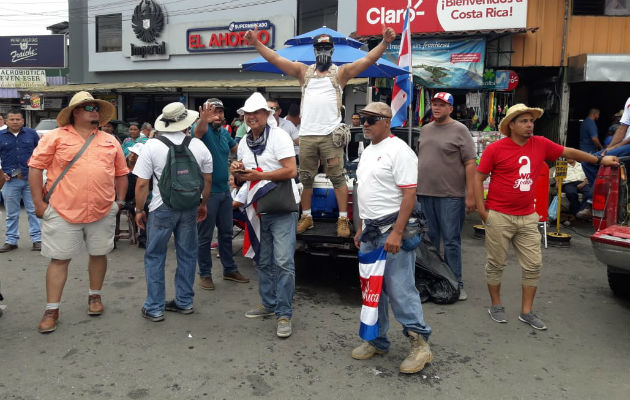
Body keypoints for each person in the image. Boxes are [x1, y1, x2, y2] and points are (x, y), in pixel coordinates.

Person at [474, 104, 618, 330]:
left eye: (531, 121)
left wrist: (600, 160)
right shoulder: (496, 149)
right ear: (511, 125)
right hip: (499, 215)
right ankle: (496, 304)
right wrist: (481, 210)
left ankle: (527, 312)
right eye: (523, 121)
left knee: (533, 265)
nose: (530, 124)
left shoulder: (540, 144)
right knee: (496, 264)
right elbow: (478, 176)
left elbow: (568, 152)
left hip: (527, 216)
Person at [244, 25, 396, 238]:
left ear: (332, 51)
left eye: (326, 47)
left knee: (338, 178)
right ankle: (306, 216)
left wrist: (384, 43)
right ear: (314, 51)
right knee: (305, 177)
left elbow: (367, 60)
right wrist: (256, 44)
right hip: (306, 136)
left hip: (330, 135)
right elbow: (276, 59)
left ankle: (343, 218)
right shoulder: (302, 72)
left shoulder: (340, 73)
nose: (322, 52)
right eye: (319, 47)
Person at [28, 91, 129, 333]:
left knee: (99, 253)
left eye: (95, 107)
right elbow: (34, 168)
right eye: (88, 107)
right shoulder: (55, 137)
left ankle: (95, 296)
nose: (94, 111)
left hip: (102, 209)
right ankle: (52, 309)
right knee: (59, 259)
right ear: (75, 112)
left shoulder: (109, 139)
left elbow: (121, 172)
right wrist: (38, 204)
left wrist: (120, 203)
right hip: (62, 210)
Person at [351, 102, 433, 374]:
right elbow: (365, 191)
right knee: (373, 289)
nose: (365, 123)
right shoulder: (368, 151)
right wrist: (361, 226)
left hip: (393, 230)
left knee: (399, 289)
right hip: (371, 231)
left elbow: (409, 195)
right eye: (363, 119)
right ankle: (377, 340)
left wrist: (397, 232)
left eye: (371, 119)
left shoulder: (401, 151)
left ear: (387, 121)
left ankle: (420, 345)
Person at [133, 102, 213, 322]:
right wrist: (202, 204)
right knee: (187, 254)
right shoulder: (198, 145)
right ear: (186, 122)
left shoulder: (151, 146)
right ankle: (185, 302)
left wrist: (139, 209)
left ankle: (155, 307)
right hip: (189, 207)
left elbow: (141, 184)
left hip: (161, 208)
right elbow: (207, 180)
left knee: (155, 256)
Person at [229, 92, 299, 338]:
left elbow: (291, 170)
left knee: (283, 262)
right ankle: (269, 304)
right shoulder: (245, 142)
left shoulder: (279, 136)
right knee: (263, 259)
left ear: (267, 115)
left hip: (281, 207)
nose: (251, 117)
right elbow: (242, 180)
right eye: (247, 114)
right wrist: (237, 172)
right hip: (258, 208)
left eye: (256, 113)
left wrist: (261, 176)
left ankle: (284, 313)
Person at [417, 93, 476, 301]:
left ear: (451, 108)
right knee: (430, 241)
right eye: (434, 104)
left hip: (451, 195)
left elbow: (470, 163)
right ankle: (436, 281)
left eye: (442, 105)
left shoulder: (460, 130)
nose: (436, 108)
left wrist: (471, 195)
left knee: (451, 241)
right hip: (425, 193)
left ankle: (456, 283)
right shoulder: (425, 129)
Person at [192, 97, 249, 290]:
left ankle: (229, 269)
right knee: (205, 236)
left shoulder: (224, 134)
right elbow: (197, 132)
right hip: (207, 193)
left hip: (225, 191)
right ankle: (205, 274)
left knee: (226, 233)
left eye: (220, 112)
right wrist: (203, 119)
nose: (218, 115)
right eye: (213, 111)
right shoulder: (203, 130)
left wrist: (237, 162)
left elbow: (236, 150)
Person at [578, 97, 630, 219]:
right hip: (623, 145)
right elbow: (622, 129)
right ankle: (600, 194)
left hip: (627, 145)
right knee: (587, 162)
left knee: (606, 161)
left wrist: (613, 148)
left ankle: (591, 203)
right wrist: (608, 148)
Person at [0, 108, 41, 252]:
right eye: (12, 119)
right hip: (10, 180)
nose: (15, 122)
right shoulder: (0, 136)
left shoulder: (32, 134)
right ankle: (11, 241)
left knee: (33, 210)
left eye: (18, 119)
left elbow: (41, 153)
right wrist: (1, 173)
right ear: (6, 121)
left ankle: (37, 240)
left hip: (31, 179)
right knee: (11, 213)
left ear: (23, 121)